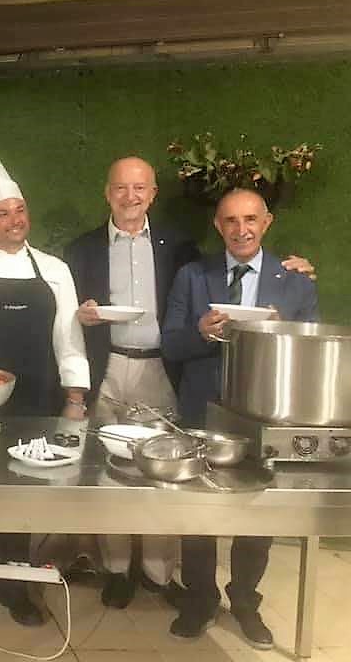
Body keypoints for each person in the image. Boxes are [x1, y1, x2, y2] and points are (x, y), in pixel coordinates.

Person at [162, 187, 318, 648]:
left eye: (250, 219)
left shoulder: (296, 282)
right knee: (197, 509)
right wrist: (200, 332)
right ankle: (200, 598)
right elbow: (170, 343)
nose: (241, 229)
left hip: (264, 411)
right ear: (218, 225)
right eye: (231, 220)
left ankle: (246, 599)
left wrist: (279, 333)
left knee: (258, 512)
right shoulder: (193, 275)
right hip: (201, 407)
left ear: (266, 223)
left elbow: (307, 351)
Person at [0, 158, 90, 625]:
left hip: (37, 399)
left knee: (23, 494)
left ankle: (15, 589)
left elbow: (68, 339)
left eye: (20, 210)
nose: (14, 220)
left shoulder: (54, 269)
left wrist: (74, 398)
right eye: (3, 213)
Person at [65, 157, 198, 608]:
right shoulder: (82, 249)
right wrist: (81, 316)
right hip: (109, 368)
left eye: (139, 188)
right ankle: (117, 569)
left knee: (162, 471)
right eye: (121, 188)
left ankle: (159, 573)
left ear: (153, 194)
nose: (130, 196)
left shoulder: (180, 247)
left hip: (160, 370)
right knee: (111, 472)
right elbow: (65, 315)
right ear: (108, 193)